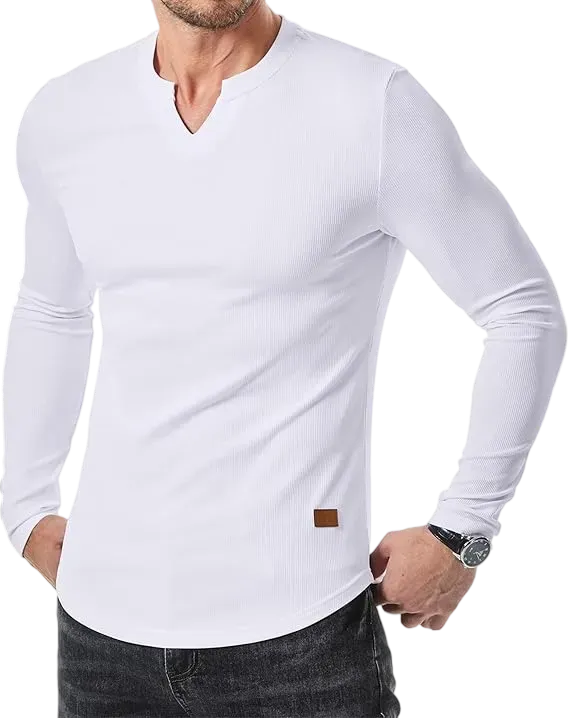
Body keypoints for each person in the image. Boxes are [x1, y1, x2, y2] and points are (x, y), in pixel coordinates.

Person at [2, 1, 567, 716]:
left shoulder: (370, 103)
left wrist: (465, 533)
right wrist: (24, 509)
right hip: (100, 635)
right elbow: (50, 311)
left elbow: (519, 306)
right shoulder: (66, 113)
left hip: (302, 631)